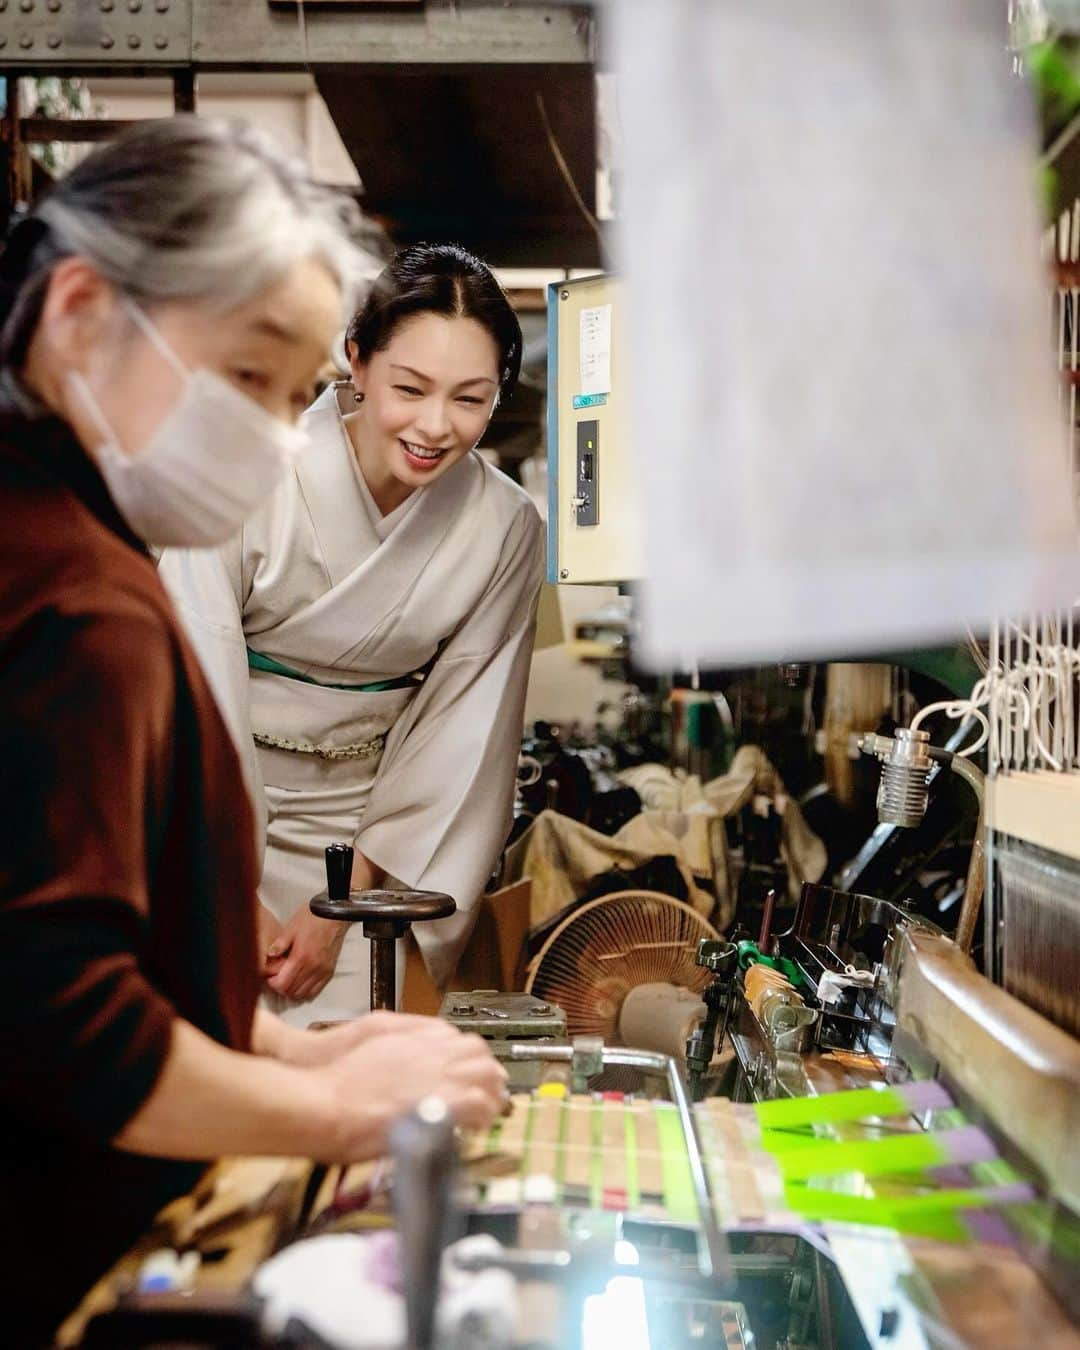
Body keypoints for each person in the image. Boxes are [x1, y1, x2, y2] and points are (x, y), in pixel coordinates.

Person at [0, 119, 506, 1344]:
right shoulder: (81, 602)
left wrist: (281, 1050)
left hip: (353, 817)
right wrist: (346, 1111)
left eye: (291, 399)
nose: (277, 439)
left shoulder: (61, 525)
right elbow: (65, 1027)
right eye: (243, 382)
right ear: (77, 312)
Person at [159, 243, 546, 1023]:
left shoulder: (505, 527)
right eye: (410, 388)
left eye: (471, 399)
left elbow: (464, 733)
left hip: (371, 845)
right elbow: (187, 677)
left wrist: (345, 908)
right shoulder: (243, 473)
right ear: (356, 361)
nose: (435, 427)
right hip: (205, 830)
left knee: (347, 1085)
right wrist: (227, 891)